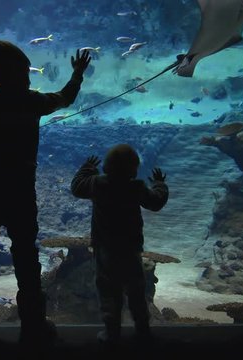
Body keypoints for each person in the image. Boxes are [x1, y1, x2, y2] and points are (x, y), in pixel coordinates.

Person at [0, 40, 91, 345]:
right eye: (25, 70)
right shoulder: (31, 101)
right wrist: (77, 73)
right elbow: (65, 98)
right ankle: (34, 327)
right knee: (25, 252)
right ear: (17, 73)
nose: (28, 75)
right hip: (21, 189)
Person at [70, 144, 168, 344]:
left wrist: (87, 167)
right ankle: (143, 330)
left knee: (108, 292)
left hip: (105, 250)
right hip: (131, 249)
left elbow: (77, 187)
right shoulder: (137, 187)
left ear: (106, 166)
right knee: (136, 292)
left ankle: (112, 332)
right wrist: (159, 184)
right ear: (134, 169)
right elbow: (156, 202)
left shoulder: (97, 183)